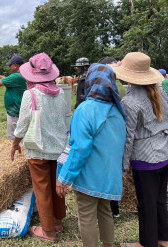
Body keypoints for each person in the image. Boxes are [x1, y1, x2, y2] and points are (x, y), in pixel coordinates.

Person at [56, 63, 126, 247]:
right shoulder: (118, 111)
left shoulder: (85, 109)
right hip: (109, 176)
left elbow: (79, 149)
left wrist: (64, 177)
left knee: (86, 217)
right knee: (105, 211)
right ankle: (108, 244)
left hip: (88, 177)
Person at [111, 52, 168, 247]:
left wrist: (123, 167)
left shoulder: (129, 101)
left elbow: (128, 138)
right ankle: (164, 239)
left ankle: (147, 243)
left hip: (145, 158)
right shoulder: (159, 90)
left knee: (146, 204)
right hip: (165, 151)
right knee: (160, 200)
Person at [10, 52, 67, 243]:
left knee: (42, 189)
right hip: (58, 149)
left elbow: (23, 123)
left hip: (38, 150)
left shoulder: (31, 94)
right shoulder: (61, 94)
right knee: (55, 186)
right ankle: (58, 223)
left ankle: (48, 232)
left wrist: (15, 143)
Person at [98, 56, 126, 218]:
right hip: (119, 134)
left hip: (105, 134)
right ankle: (115, 209)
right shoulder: (120, 86)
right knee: (114, 172)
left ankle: (107, 209)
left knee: (104, 172)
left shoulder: (103, 87)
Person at [0, 55, 27, 140]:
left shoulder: (16, 76)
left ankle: (16, 150)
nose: (10, 67)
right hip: (19, 109)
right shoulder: (21, 75)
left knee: (13, 137)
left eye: (10, 65)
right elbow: (6, 79)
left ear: (15, 65)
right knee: (20, 135)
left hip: (15, 111)